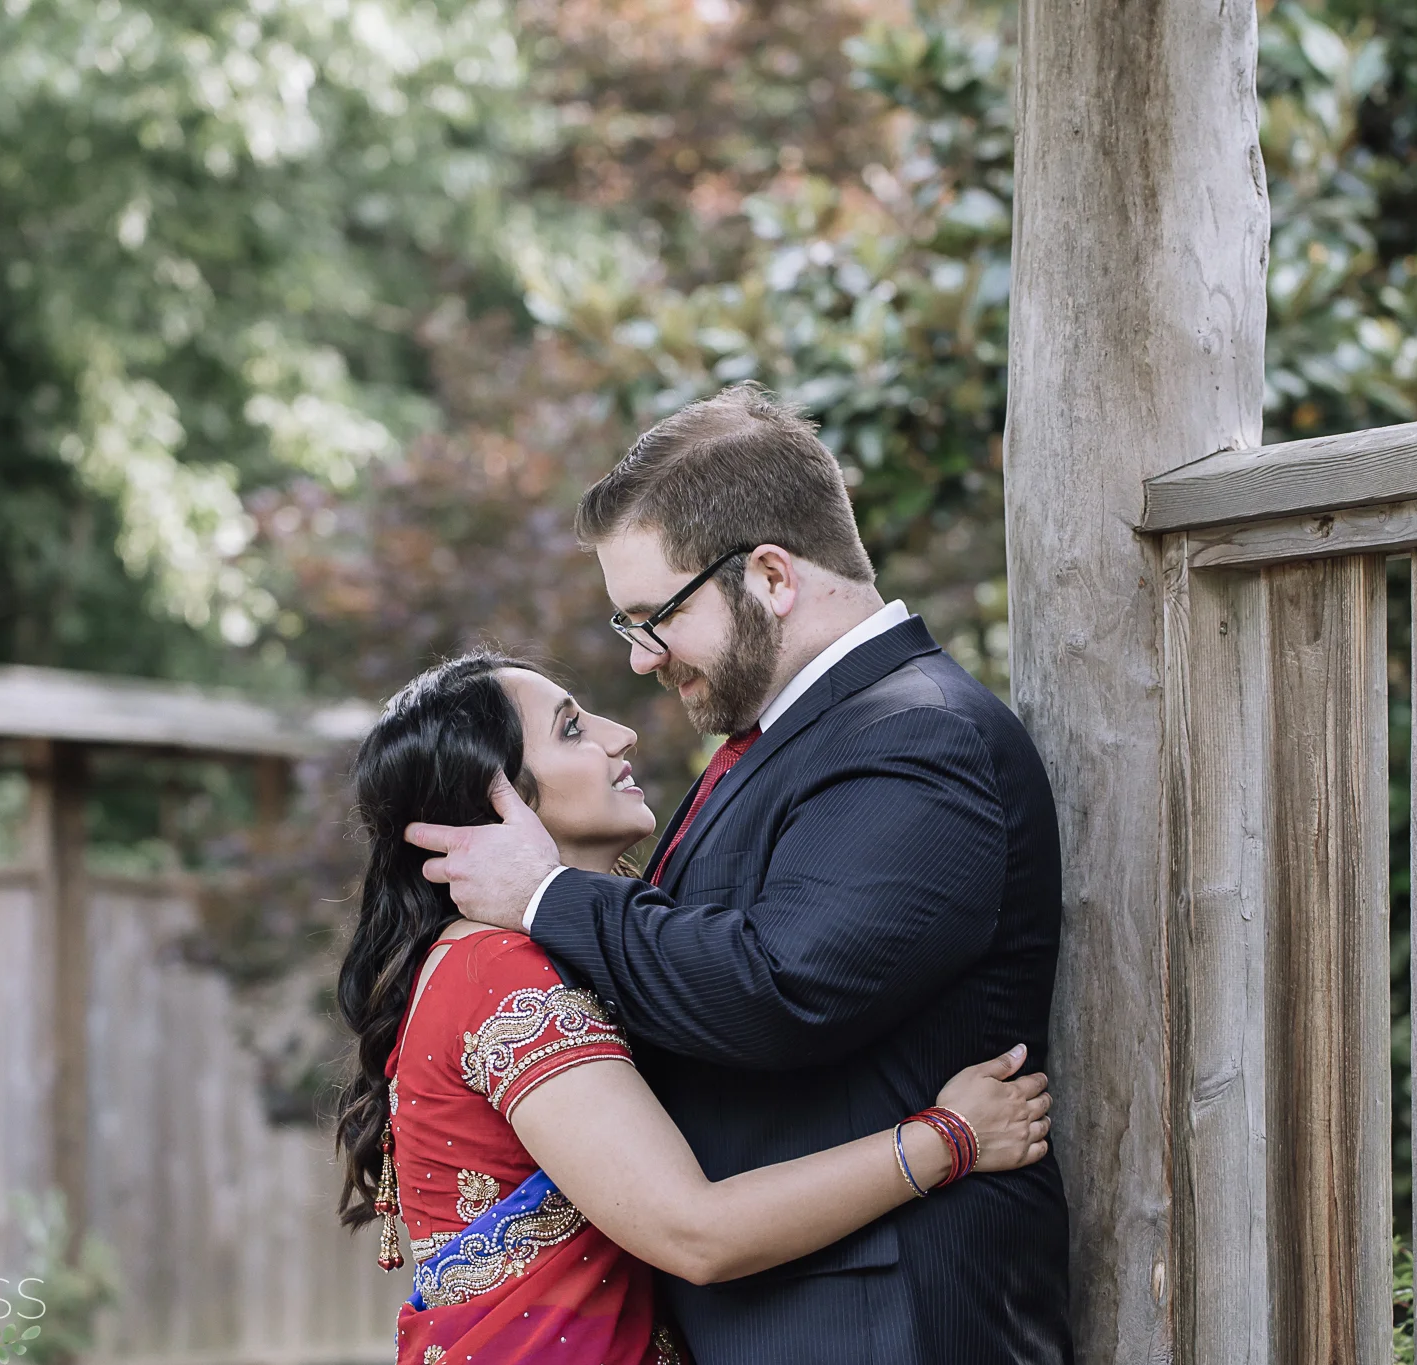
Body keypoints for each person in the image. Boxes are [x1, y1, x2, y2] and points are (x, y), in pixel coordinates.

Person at [404, 385, 1073, 1364]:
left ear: (770, 575)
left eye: (655, 617)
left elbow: (779, 989)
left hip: (879, 1331)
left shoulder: (914, 735)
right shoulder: (799, 739)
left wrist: (544, 894)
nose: (642, 660)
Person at [336, 652, 1054, 1365]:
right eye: (572, 729)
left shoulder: (523, 955)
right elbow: (695, 1234)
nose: (619, 735)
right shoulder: (499, 972)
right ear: (492, 803)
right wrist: (950, 1138)